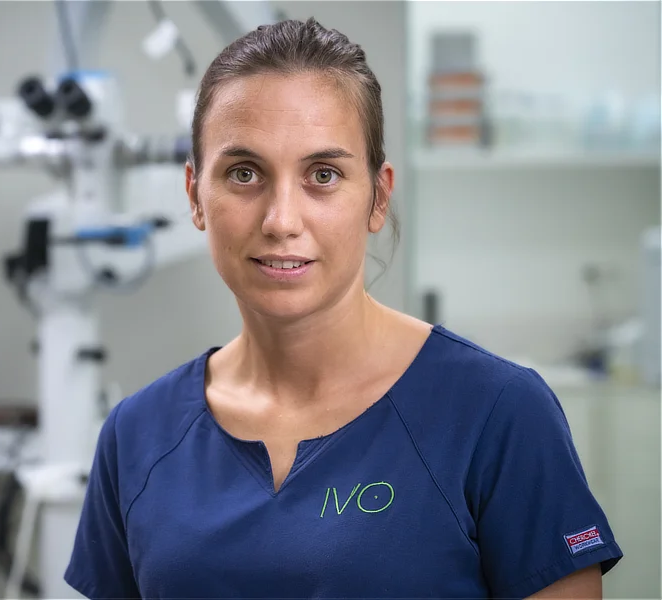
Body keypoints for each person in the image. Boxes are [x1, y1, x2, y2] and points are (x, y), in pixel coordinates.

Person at [64, 18, 622, 599]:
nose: (281, 220)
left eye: (323, 175)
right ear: (195, 196)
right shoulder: (137, 435)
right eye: (244, 173)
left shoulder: (496, 413)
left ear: (378, 197)